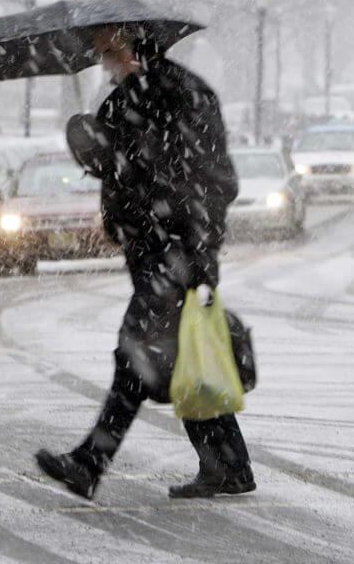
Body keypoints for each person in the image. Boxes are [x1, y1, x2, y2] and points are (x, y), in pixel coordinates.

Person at [35, 25, 255, 499]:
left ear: (132, 43)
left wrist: (194, 249)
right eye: (98, 52)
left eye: (107, 49)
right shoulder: (120, 102)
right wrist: (93, 150)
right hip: (149, 251)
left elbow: (218, 182)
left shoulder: (186, 94)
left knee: (133, 357)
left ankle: (89, 463)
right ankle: (230, 467)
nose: (102, 59)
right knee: (181, 358)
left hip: (176, 254)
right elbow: (115, 166)